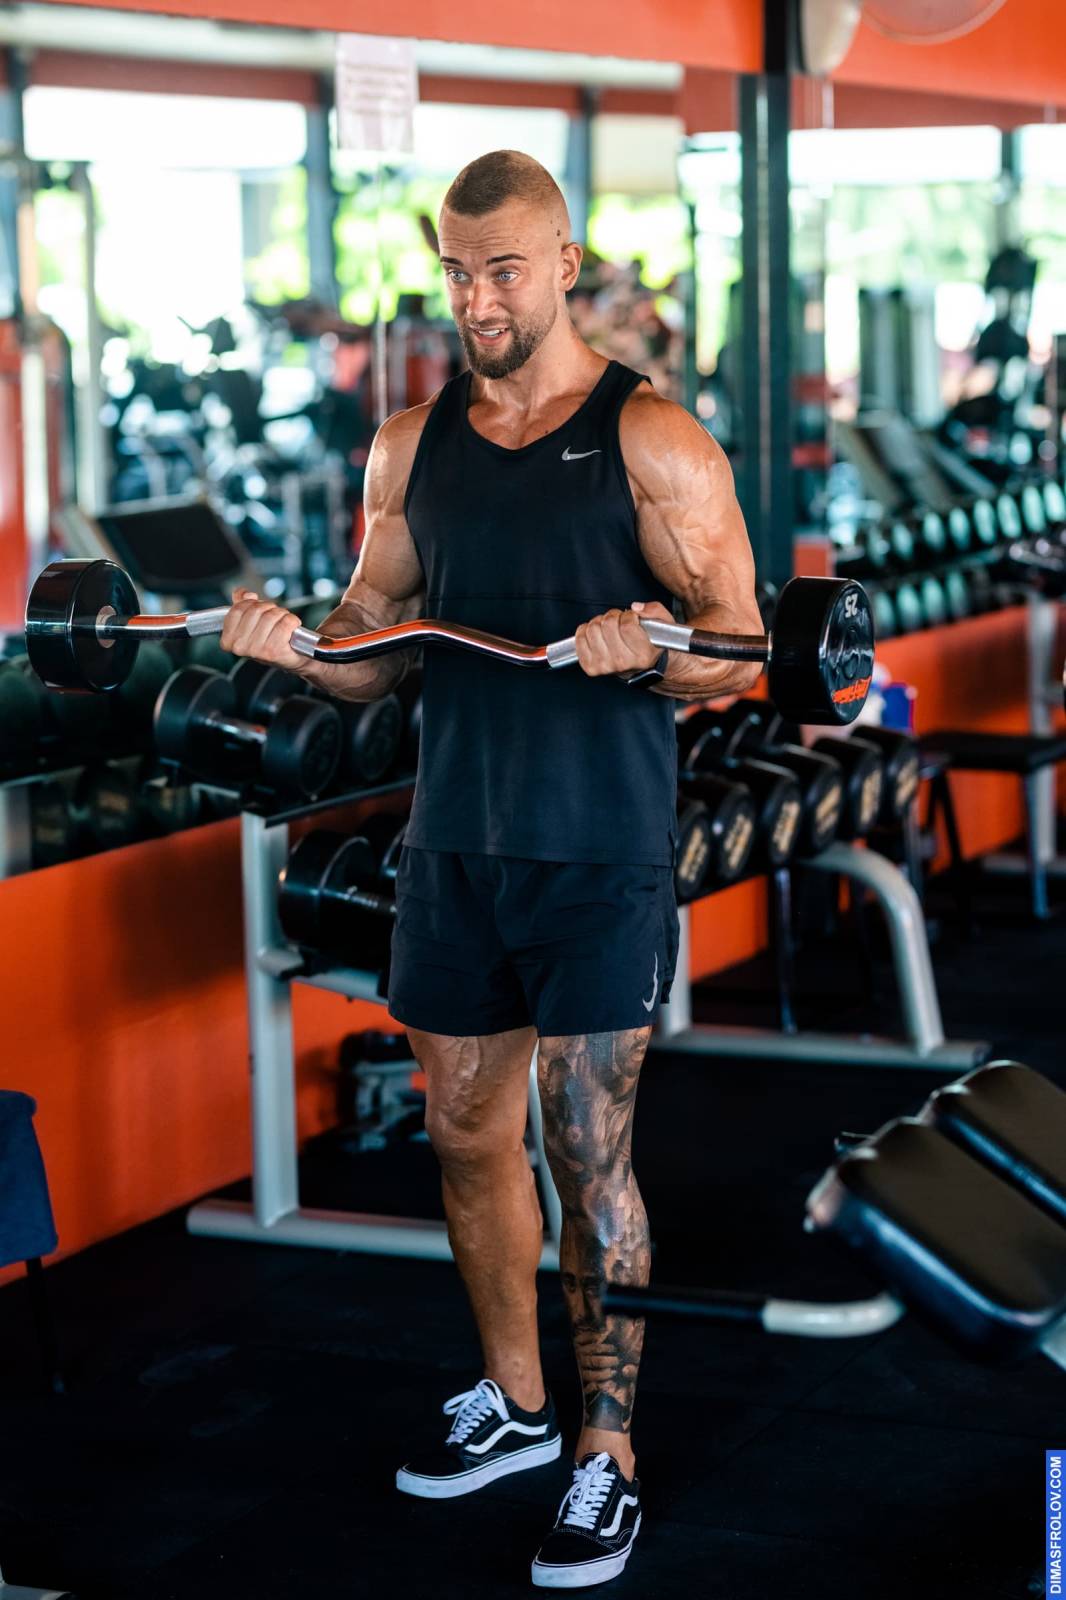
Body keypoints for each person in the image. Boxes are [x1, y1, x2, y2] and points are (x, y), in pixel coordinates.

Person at [221, 148, 763, 1590]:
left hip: (597, 848)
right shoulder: (409, 446)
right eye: (457, 273)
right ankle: (518, 1404)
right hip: (454, 839)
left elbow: (739, 644)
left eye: (503, 271)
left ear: (565, 265)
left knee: (588, 1151)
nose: (477, 300)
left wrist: (649, 654)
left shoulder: (655, 439)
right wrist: (295, 648)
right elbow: (372, 647)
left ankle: (606, 1452)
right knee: (465, 1130)